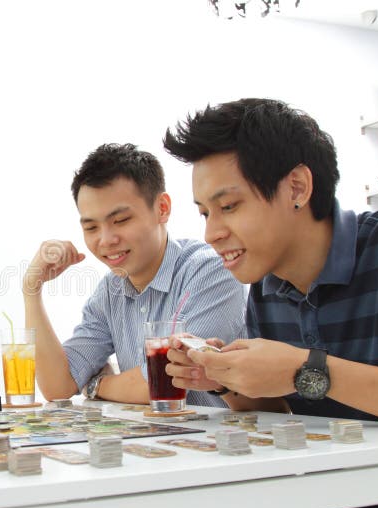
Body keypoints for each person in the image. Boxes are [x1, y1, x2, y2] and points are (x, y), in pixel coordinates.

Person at [163, 97, 378, 508]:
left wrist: (305, 369)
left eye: (228, 206)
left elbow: (302, 377)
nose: (211, 233)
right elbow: (285, 412)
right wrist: (227, 380)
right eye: (205, 213)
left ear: (297, 188)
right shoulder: (266, 286)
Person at [22, 143, 245, 406]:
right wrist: (31, 290)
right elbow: (58, 386)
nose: (106, 240)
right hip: (154, 442)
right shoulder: (110, 291)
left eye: (121, 221)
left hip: (221, 444)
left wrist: (95, 384)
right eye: (92, 227)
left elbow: (165, 379)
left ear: (162, 208)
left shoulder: (210, 271)